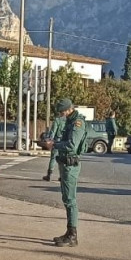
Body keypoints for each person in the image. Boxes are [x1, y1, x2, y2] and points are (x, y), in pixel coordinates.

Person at [52, 98, 87, 248]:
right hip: (66, 163)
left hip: (70, 165)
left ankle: (73, 236)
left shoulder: (77, 123)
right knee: (67, 199)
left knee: (70, 200)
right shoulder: (70, 121)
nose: (61, 114)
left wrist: (55, 144)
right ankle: (69, 232)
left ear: (68, 109)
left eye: (62, 111)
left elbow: (72, 145)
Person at [42, 114, 66, 182]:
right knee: (62, 159)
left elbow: (53, 132)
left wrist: (50, 141)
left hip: (57, 141)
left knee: (53, 158)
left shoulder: (57, 120)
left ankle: (49, 175)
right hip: (65, 142)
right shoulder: (67, 120)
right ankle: (62, 176)